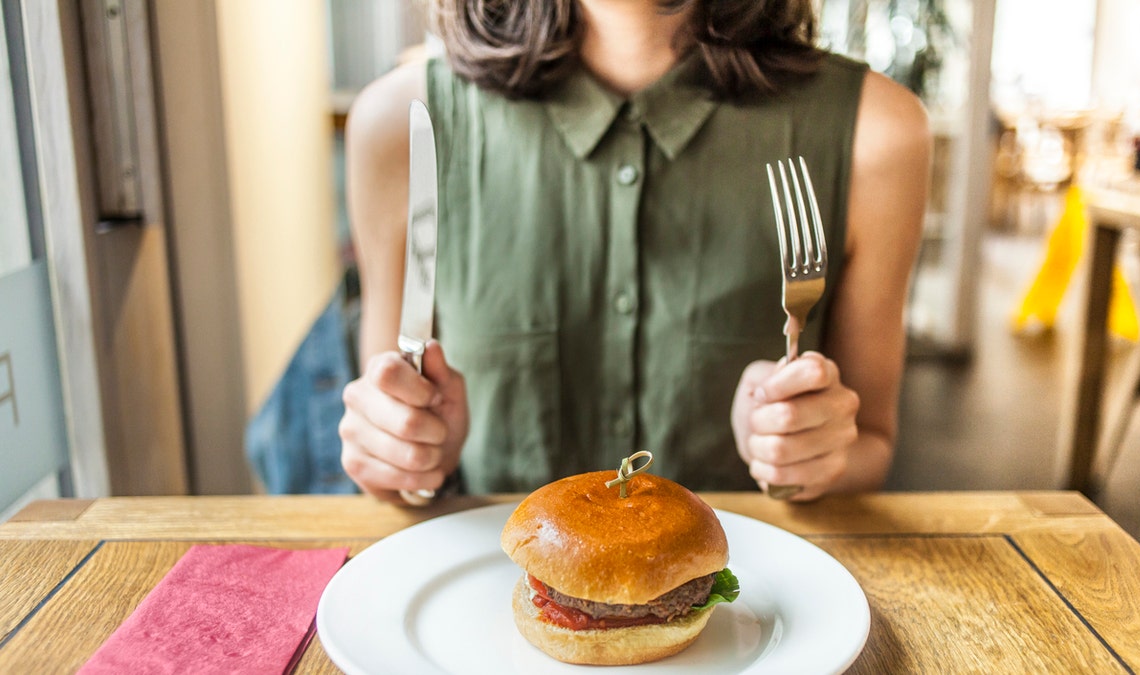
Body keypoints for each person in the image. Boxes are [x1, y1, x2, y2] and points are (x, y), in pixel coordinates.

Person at [338, 0, 931, 504]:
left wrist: (804, 456)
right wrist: (409, 452)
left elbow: (870, 446)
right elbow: (390, 456)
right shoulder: (399, 127)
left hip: (752, 613)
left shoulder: (878, 133)